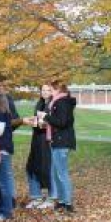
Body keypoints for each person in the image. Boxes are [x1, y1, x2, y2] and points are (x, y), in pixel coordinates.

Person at [0, 72, 21, 221]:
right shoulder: (1, 102)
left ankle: (5, 210)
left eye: (1, 85)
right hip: (3, 145)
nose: (0, 88)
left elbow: (1, 128)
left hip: (1, 146)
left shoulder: (2, 102)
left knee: (2, 180)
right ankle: (1, 208)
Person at [44, 80, 77, 212]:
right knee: (57, 173)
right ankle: (63, 200)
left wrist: (47, 117)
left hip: (62, 141)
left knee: (62, 172)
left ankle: (68, 202)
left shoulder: (61, 102)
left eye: (51, 89)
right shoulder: (57, 102)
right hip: (56, 140)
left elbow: (62, 122)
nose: (50, 92)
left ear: (58, 89)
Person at [24, 84, 54, 209]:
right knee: (31, 166)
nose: (45, 92)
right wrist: (33, 122)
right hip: (37, 139)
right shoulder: (39, 104)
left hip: (48, 140)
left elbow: (57, 122)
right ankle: (36, 196)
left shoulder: (53, 105)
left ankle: (51, 198)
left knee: (47, 168)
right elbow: (38, 122)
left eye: (48, 90)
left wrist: (45, 124)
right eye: (43, 90)